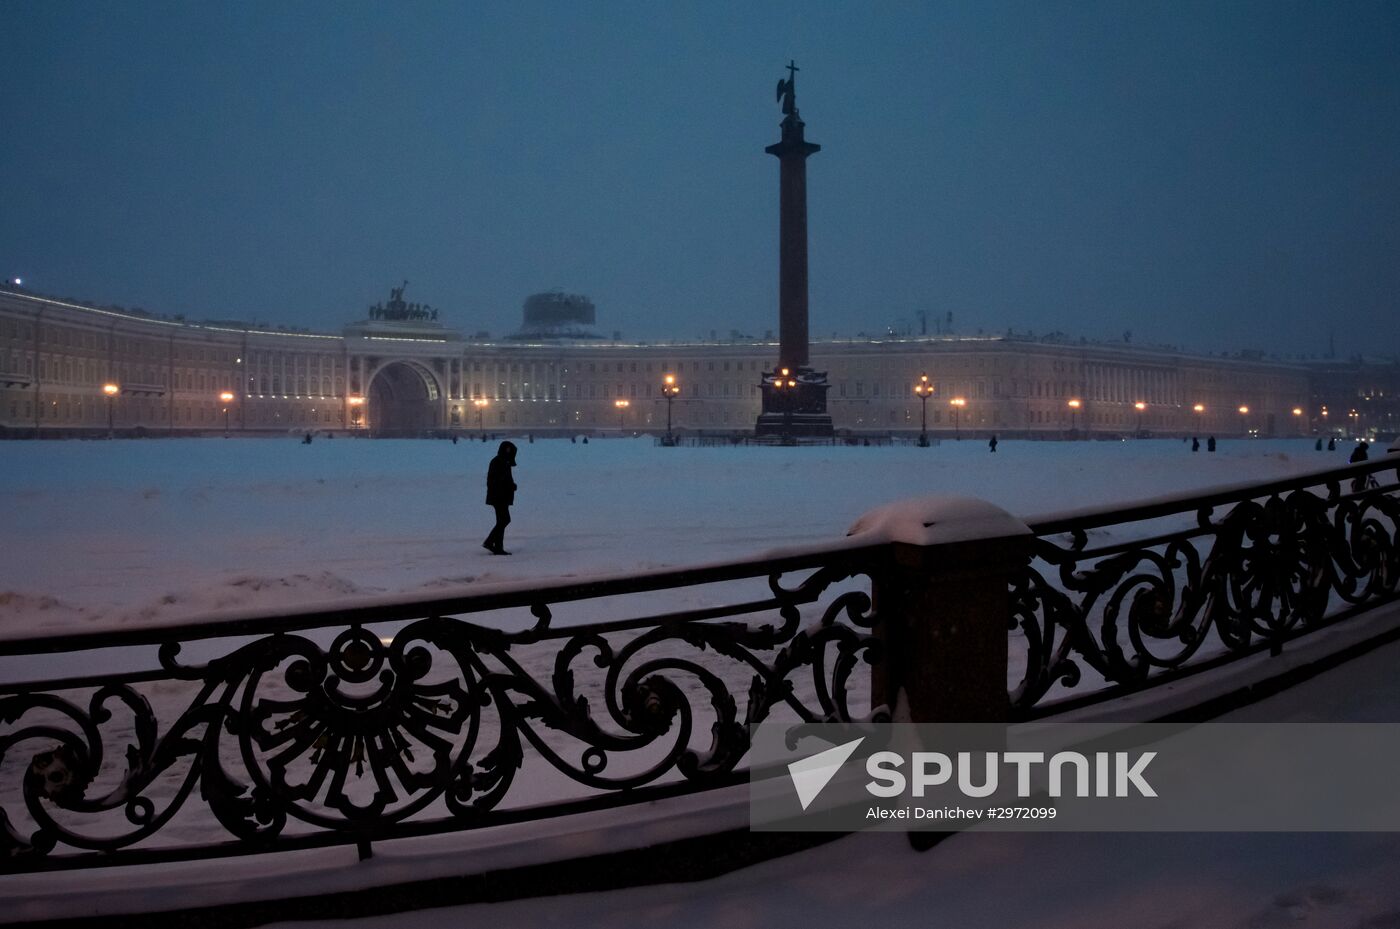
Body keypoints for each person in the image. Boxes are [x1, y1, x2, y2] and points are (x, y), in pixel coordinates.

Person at [482, 441, 517, 555]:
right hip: (499, 496)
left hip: (499, 496)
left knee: (501, 520)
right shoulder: (499, 462)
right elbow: (496, 480)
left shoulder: (502, 461)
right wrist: (510, 486)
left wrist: (510, 486)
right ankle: (490, 542)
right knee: (505, 520)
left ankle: (498, 546)